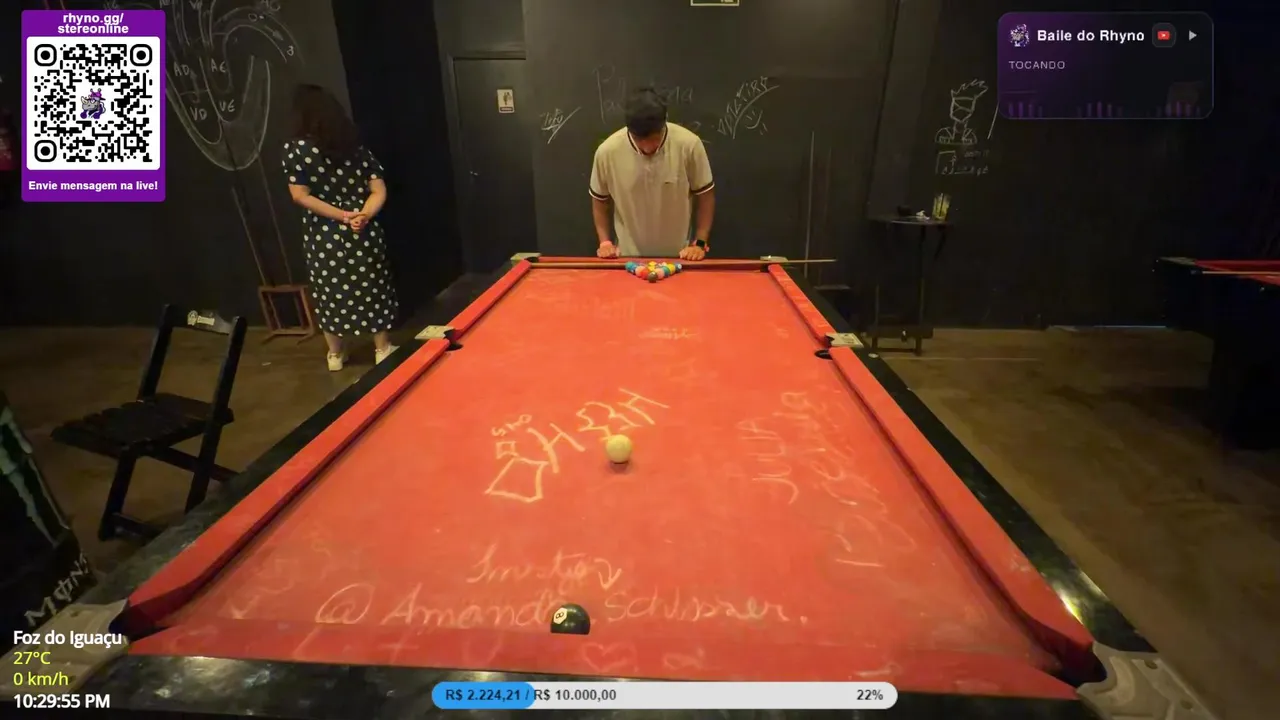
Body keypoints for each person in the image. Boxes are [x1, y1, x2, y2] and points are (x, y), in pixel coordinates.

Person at [282, 84, 399, 371]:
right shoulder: (355, 148)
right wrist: (362, 215)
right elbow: (378, 189)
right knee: (373, 286)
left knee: (329, 291)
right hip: (363, 229)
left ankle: (335, 354)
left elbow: (300, 195)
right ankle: (382, 348)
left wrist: (343, 216)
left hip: (325, 235)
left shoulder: (295, 150)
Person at [590, 88, 715, 260]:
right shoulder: (607, 152)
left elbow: (706, 195)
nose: (647, 147)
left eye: (653, 139)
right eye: (639, 140)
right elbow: (599, 200)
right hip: (628, 259)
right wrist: (605, 242)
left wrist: (700, 243)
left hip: (680, 258)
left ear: (664, 124)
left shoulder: (689, 145)